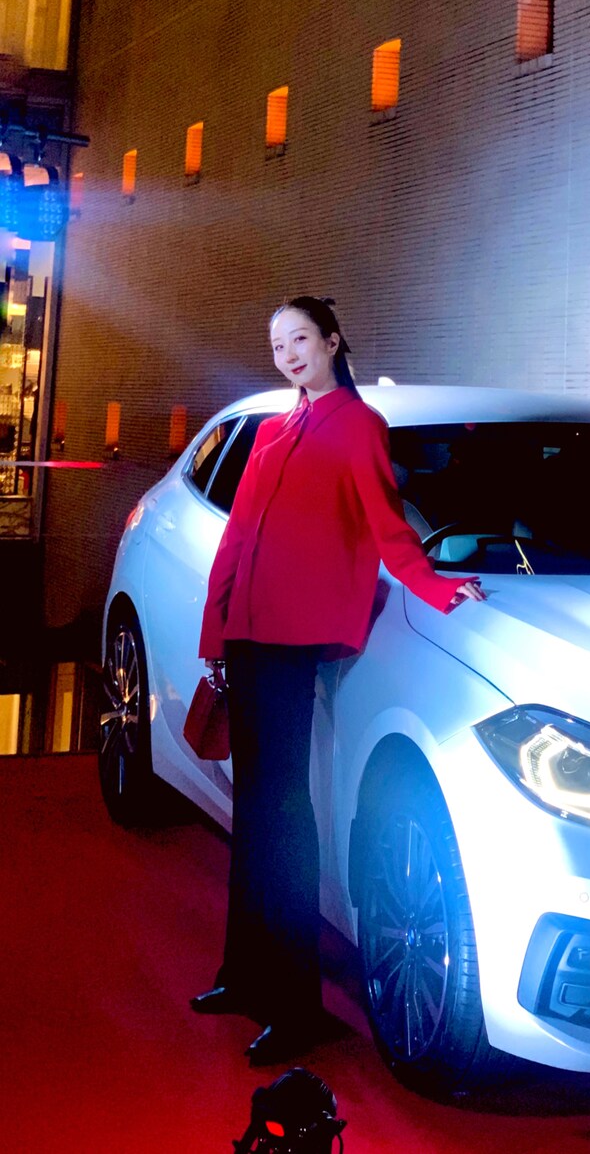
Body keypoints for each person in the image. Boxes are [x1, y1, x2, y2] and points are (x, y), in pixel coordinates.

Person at [190, 294, 486, 1066]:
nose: (289, 354)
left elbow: (388, 527)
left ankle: (296, 1009)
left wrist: (437, 587)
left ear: (332, 341)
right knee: (254, 811)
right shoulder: (273, 430)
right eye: (277, 344)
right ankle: (244, 974)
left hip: (296, 640)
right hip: (249, 636)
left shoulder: (359, 426)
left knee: (287, 816)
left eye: (300, 339)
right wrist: (214, 631)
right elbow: (238, 538)